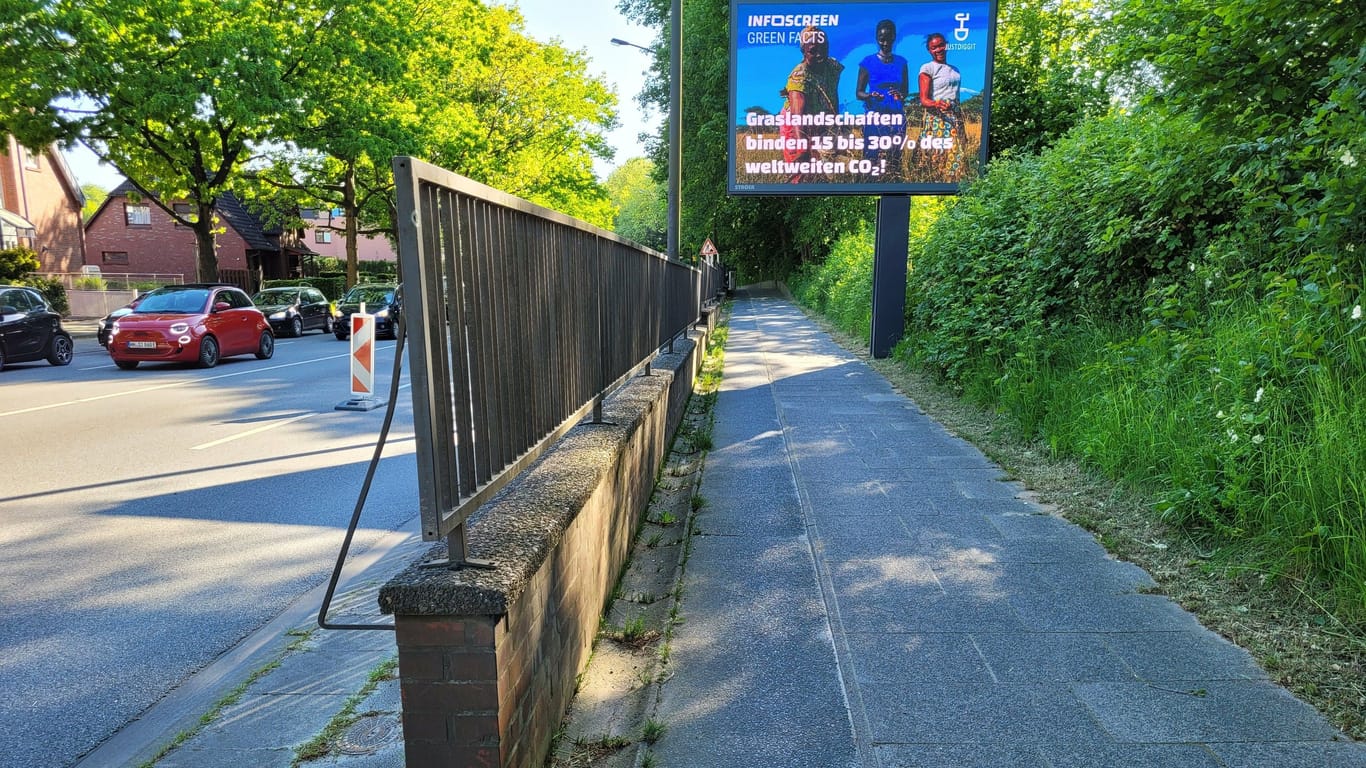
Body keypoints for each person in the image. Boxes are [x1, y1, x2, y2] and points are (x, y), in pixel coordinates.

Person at [779, 25, 843, 183]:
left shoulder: (832, 66)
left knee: (823, 170)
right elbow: (797, 116)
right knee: (801, 172)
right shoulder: (800, 76)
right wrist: (802, 145)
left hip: (819, 120)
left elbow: (832, 94)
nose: (819, 55)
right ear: (804, 51)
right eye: (813, 51)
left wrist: (834, 124)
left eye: (823, 49)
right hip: (795, 127)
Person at [855, 19, 909, 181]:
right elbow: (858, 93)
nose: (885, 43)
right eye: (881, 39)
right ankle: (869, 184)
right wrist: (870, 96)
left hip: (896, 116)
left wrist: (900, 94)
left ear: (894, 37)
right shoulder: (867, 62)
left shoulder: (902, 62)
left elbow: (905, 91)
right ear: (876, 38)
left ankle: (893, 182)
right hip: (874, 116)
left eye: (888, 38)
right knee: (871, 155)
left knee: (894, 155)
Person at [917, 32, 964, 179]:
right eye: (934, 47)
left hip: (955, 116)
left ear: (946, 46)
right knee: (938, 156)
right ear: (929, 50)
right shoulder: (928, 68)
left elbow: (956, 96)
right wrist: (937, 104)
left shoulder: (955, 70)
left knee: (957, 153)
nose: (938, 50)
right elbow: (923, 100)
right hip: (938, 118)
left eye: (941, 45)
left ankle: (953, 181)